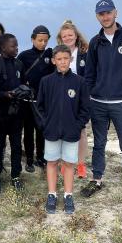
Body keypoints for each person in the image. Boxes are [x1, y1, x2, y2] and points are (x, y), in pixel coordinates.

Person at [81, 0, 122, 208]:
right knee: (99, 144)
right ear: (97, 16)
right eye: (101, 14)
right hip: (98, 103)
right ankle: (96, 180)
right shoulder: (95, 42)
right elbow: (89, 73)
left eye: (108, 12)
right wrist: (89, 97)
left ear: (116, 13)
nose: (105, 17)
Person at [38, 45, 90, 214]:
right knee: (52, 162)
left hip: (71, 132)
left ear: (71, 59)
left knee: (69, 163)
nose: (62, 62)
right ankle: (52, 194)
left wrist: (77, 125)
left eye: (65, 59)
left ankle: (68, 195)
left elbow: (85, 109)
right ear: (54, 61)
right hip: (51, 131)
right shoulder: (46, 81)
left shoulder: (79, 82)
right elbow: (40, 108)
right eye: (59, 59)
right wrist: (46, 124)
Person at [18, 25, 55, 172]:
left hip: (43, 101)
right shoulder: (24, 55)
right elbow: (18, 74)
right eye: (40, 40)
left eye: (45, 40)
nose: (43, 43)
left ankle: (41, 157)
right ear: (33, 39)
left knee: (41, 130)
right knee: (28, 131)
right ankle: (29, 159)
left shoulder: (50, 54)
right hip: (27, 101)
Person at [0, 33, 25, 193]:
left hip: (17, 114)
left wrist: (24, 92)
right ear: (3, 47)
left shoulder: (19, 64)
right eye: (13, 46)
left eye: (17, 45)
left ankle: (16, 176)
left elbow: (24, 83)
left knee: (17, 145)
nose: (16, 48)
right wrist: (5, 94)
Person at [56, 20, 89, 178]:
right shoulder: (57, 53)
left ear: (76, 36)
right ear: (60, 38)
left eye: (70, 35)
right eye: (64, 36)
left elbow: (90, 76)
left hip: (79, 97)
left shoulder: (85, 53)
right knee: (62, 131)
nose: (68, 38)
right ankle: (65, 163)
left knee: (81, 131)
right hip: (62, 97)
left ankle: (81, 164)